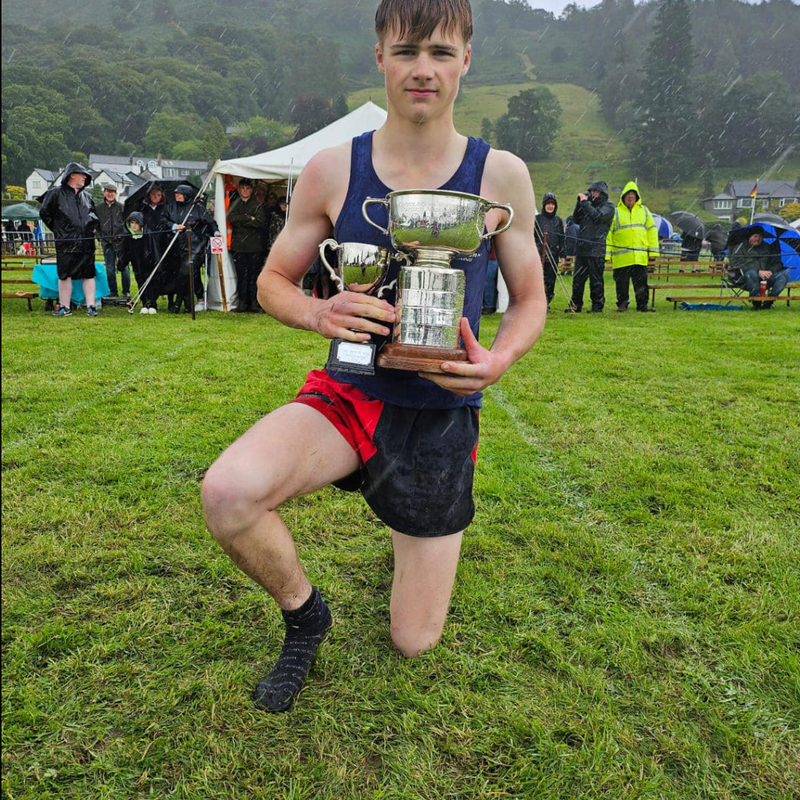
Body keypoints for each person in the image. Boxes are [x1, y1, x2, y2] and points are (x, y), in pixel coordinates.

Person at [202, 0, 545, 714]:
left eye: (442, 53)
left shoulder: (501, 174)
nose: (424, 69)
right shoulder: (333, 169)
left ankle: (408, 525)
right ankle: (306, 613)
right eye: (409, 50)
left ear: (466, 62)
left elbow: (530, 300)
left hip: (441, 412)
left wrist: (501, 360)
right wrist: (320, 310)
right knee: (228, 493)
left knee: (413, 640)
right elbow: (269, 281)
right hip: (349, 392)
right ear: (380, 57)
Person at [39, 162, 100, 317]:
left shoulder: (87, 196)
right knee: (65, 274)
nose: (85, 179)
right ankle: (65, 307)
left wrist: (91, 228)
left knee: (89, 273)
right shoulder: (55, 193)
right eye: (82, 175)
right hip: (65, 242)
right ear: (72, 175)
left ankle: (91, 306)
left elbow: (93, 215)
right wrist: (60, 230)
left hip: (86, 241)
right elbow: (45, 213)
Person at [163, 184, 218, 313]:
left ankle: (179, 302)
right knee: (186, 275)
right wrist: (174, 226)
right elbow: (163, 221)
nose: (177, 195)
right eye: (176, 193)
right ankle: (188, 303)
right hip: (176, 247)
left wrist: (216, 233)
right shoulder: (170, 208)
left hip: (195, 247)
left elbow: (211, 223)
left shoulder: (197, 208)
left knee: (187, 273)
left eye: (180, 193)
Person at [606, 181, 658, 313]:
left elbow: (652, 231)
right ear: (623, 197)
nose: (630, 197)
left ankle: (642, 305)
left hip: (639, 257)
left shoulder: (645, 211)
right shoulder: (616, 212)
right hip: (621, 258)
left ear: (637, 197)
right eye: (628, 194)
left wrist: (653, 252)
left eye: (633, 195)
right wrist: (607, 255)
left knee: (641, 284)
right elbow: (609, 234)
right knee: (621, 284)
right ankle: (622, 304)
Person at [566, 180, 614, 313]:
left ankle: (597, 306)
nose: (593, 194)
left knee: (596, 280)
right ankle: (575, 305)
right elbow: (576, 219)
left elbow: (597, 217)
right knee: (578, 280)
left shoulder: (609, 206)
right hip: (582, 248)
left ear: (602, 193)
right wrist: (579, 203)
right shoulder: (588, 205)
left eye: (595, 192)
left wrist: (585, 203)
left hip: (596, 249)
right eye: (592, 191)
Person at [227, 178, 266, 312]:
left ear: (251, 190)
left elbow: (260, 222)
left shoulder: (257, 205)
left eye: (248, 188)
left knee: (254, 276)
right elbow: (232, 219)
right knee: (241, 276)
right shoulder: (234, 204)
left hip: (254, 246)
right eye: (243, 188)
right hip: (239, 246)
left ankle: (254, 303)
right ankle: (242, 303)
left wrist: (243, 219)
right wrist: (249, 218)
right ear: (239, 189)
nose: (245, 191)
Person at [730, 231, 788, 310]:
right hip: (744, 279)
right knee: (752, 273)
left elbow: (778, 264)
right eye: (755, 236)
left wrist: (771, 271)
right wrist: (758, 271)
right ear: (749, 237)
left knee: (784, 275)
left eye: (760, 236)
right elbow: (735, 263)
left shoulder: (768, 247)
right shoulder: (740, 247)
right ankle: (756, 303)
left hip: (765, 279)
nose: (758, 239)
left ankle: (769, 302)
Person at [118, 212, 159, 313]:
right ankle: (145, 303)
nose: (134, 225)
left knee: (151, 283)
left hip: (149, 264)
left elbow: (154, 250)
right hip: (137, 265)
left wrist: (157, 263)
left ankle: (152, 304)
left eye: (136, 223)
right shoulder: (128, 237)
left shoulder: (148, 235)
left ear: (141, 223)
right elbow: (125, 252)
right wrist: (122, 263)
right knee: (140, 283)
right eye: (132, 222)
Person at [95, 184, 129, 299]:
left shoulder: (122, 207)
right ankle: (113, 291)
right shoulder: (98, 208)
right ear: (104, 192)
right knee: (109, 269)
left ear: (116, 193)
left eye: (112, 192)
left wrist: (123, 236)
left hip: (121, 242)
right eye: (108, 191)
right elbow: (95, 226)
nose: (110, 194)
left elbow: (127, 224)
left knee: (124, 267)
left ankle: (126, 291)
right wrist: (99, 237)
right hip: (107, 242)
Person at [534, 192, 564, 310]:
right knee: (538, 280)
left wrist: (562, 254)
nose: (550, 206)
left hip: (553, 255)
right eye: (548, 204)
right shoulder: (537, 220)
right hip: (538, 255)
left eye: (552, 204)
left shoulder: (558, 221)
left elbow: (561, 238)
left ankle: (547, 301)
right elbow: (532, 236)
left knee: (550, 280)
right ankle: (538, 302)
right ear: (544, 205)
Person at [481, 240, 499, 314]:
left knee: (488, 282)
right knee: (486, 282)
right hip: (487, 257)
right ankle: (486, 305)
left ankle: (489, 306)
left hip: (491, 257)